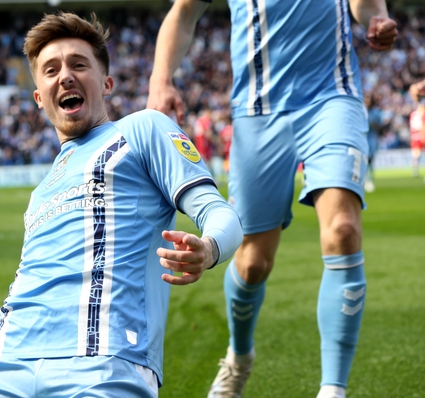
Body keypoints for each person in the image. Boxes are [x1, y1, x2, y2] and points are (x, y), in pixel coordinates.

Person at [0, 12, 243, 397]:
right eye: (50, 70)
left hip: (103, 364)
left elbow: (221, 213)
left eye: (79, 64)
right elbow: (21, 313)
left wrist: (209, 248)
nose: (65, 76)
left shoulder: (143, 128)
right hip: (1, 365)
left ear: (106, 82)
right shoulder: (42, 191)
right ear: (39, 97)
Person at [147, 1, 397, 397]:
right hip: (257, 113)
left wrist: (376, 19)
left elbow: (363, 4)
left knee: (344, 230)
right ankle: (239, 357)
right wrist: (161, 80)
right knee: (252, 264)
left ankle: (333, 390)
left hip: (332, 97)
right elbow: (183, 13)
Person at [408, 79, 425, 179]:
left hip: (416, 134)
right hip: (419, 133)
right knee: (416, 153)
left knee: (416, 153)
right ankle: (415, 170)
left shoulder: (415, 112)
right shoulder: (420, 111)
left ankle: (415, 170)